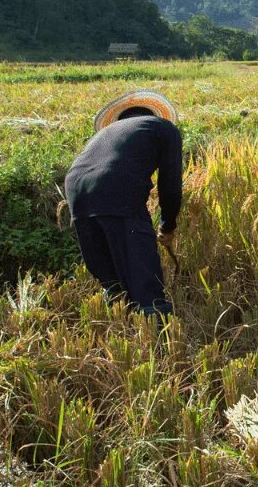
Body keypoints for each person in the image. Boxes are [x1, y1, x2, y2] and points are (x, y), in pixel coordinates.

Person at [64, 90, 182, 319]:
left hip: (76, 190)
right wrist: (167, 226)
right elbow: (171, 186)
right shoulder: (163, 128)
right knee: (144, 282)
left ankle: (119, 328)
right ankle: (158, 344)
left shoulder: (104, 135)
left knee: (113, 280)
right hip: (115, 190)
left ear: (121, 120)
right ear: (154, 114)